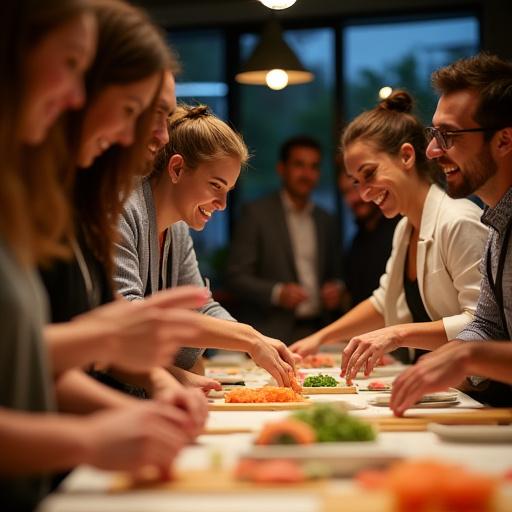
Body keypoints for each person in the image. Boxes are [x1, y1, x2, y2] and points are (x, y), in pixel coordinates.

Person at [0, 1, 201, 510]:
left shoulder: (51, 199)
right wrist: (89, 437)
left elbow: (31, 364)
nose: (155, 136)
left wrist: (151, 389)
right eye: (138, 111)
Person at [290, 90, 488, 385]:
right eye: (356, 182)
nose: (363, 193)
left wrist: (397, 334)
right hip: (438, 384)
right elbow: (384, 303)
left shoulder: (458, 220)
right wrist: (318, 339)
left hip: (476, 390)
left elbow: (482, 324)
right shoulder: (404, 227)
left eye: (369, 174)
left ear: (407, 156)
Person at [114, 104, 296, 388]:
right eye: (215, 186)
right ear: (176, 168)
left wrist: (257, 341)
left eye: (228, 191)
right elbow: (131, 316)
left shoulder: (178, 228)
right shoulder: (123, 209)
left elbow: (201, 306)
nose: (222, 205)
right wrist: (247, 338)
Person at [391, 53, 512, 415]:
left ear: (504, 140)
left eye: (449, 136)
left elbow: (478, 344)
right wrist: (445, 362)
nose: (433, 150)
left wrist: (467, 357)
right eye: (434, 134)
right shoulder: (497, 222)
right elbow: (487, 324)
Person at [226, 135, 343, 345]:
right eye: (299, 165)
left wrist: (337, 288)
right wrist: (276, 293)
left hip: (319, 331)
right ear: (282, 168)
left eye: (314, 167)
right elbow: (236, 277)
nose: (307, 174)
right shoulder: (256, 214)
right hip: (270, 332)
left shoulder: (326, 219)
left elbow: (337, 274)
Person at [338, 169, 399, 310]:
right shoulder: (356, 242)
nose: (353, 198)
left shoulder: (400, 229)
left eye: (356, 188)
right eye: (345, 193)